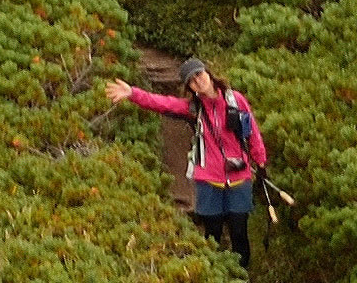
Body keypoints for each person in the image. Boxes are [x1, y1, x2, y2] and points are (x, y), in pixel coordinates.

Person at [105, 58, 267, 268]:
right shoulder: (193, 109)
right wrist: (133, 94)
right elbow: (162, 103)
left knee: (239, 234)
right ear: (189, 87)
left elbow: (252, 132)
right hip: (209, 182)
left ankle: (241, 282)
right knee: (212, 236)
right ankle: (214, 279)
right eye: (192, 81)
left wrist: (261, 162)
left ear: (208, 73)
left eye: (199, 75)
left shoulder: (235, 100)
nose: (198, 82)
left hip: (239, 178)